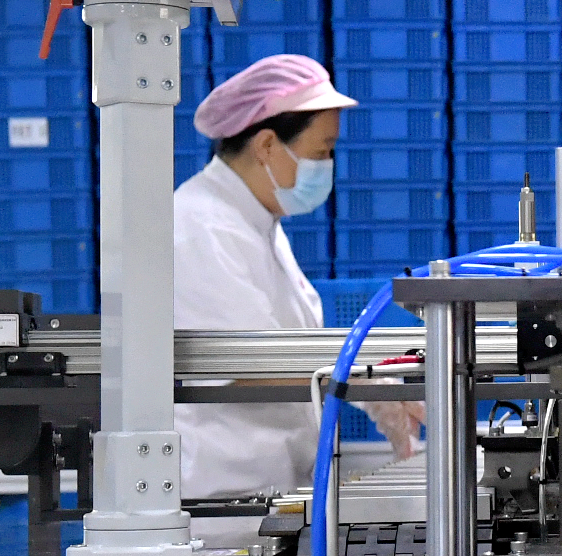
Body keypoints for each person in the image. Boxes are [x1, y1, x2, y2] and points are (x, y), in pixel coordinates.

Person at [173, 55, 418, 528]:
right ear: (267, 145)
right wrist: (363, 382)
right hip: (223, 505)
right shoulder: (198, 228)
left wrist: (366, 381)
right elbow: (249, 362)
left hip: (267, 496)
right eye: (322, 151)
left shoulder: (256, 223)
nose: (327, 166)